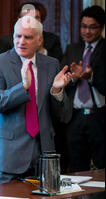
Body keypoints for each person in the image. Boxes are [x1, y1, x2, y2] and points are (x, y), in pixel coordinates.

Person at [0, 15, 72, 184]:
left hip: (44, 156)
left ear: (39, 40)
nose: (21, 41)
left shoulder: (52, 64)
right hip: (8, 158)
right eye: (18, 36)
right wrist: (22, 87)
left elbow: (62, 115)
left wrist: (57, 91)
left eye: (28, 37)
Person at [62, 5, 105, 173]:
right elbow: (63, 76)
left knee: (101, 164)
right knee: (76, 165)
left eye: (92, 27)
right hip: (75, 115)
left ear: (101, 28)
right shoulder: (73, 49)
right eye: (83, 26)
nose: (87, 31)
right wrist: (73, 77)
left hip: (99, 115)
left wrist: (91, 77)